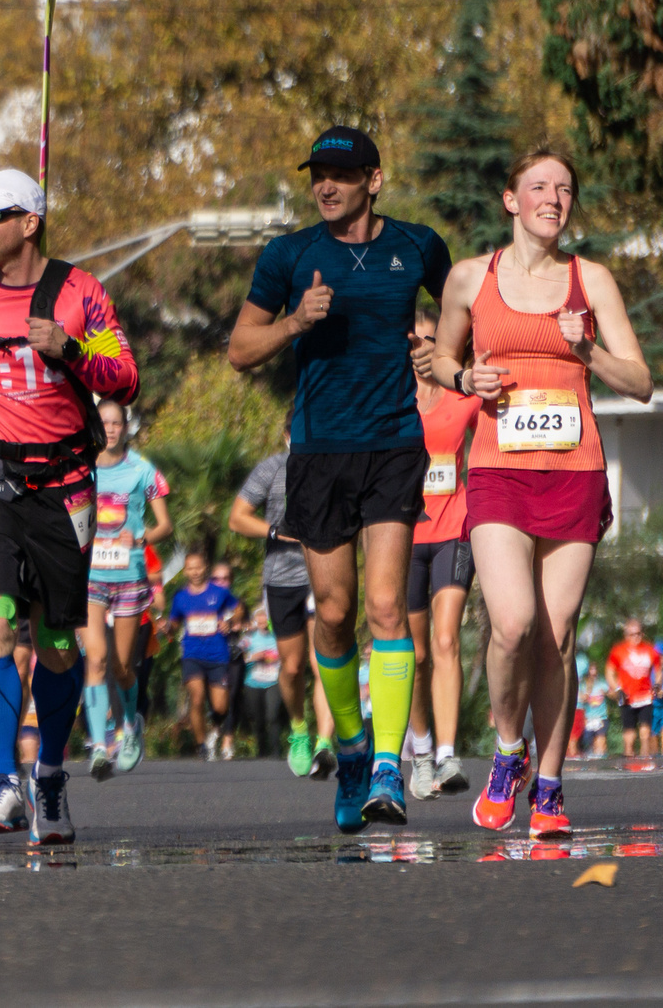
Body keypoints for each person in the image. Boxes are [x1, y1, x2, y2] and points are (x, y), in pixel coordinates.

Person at [228, 125, 450, 832]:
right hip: (319, 452)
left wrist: (443, 356)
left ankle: (387, 765)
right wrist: (295, 321)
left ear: (373, 180)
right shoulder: (289, 254)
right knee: (332, 613)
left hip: (393, 444)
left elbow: (465, 312)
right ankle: (350, 748)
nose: (326, 186)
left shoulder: (418, 246)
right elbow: (240, 349)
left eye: (342, 174)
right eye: (318, 174)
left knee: (386, 606)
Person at [431, 151, 651, 836]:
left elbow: (640, 382)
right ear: (511, 199)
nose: (553, 198)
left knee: (556, 637)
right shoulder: (471, 277)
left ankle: (550, 788)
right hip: (498, 469)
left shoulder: (592, 280)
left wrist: (588, 352)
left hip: (574, 473)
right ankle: (508, 750)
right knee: (512, 624)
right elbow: (440, 357)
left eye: (564, 189)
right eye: (538, 187)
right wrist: (465, 380)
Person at [0, 168, 140, 845]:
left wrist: (69, 349)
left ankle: (48, 774)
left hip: (64, 485)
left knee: (56, 642)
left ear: (29, 222)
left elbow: (125, 377)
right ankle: (1, 782)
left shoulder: (80, 293)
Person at [406, 311, 479, 801]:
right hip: (403, 538)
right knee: (415, 655)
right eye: (415, 340)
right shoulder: (392, 401)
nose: (424, 347)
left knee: (447, 638)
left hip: (455, 529)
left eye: (433, 339)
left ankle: (450, 756)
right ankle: (422, 752)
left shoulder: (462, 396)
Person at [231, 439, 335, 778]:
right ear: (288, 434)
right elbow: (237, 518)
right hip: (281, 579)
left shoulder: (332, 463)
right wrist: (274, 531)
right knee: (291, 667)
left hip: (322, 575)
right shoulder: (273, 468)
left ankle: (325, 743)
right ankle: (299, 730)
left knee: (323, 662)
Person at [83, 400, 169, 777]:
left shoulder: (142, 469)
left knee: (121, 667)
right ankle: (100, 747)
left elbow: (165, 525)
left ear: (126, 427)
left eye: (117, 423)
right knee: (95, 660)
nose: (111, 429)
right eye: (104, 423)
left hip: (130, 577)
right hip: (91, 578)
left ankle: (131, 726)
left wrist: (141, 537)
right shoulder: (81, 469)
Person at [165, 550, 237, 759]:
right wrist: (168, 628)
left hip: (218, 655)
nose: (195, 572)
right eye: (190, 568)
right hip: (192, 654)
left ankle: (215, 727)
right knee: (196, 698)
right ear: (185, 571)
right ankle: (201, 745)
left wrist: (229, 621)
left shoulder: (220, 592)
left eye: (198, 567)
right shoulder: (180, 597)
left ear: (205, 568)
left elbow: (238, 608)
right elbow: (174, 623)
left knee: (221, 707)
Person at [241, 603, 286, 757]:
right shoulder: (248, 638)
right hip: (253, 683)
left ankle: (276, 752)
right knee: (258, 719)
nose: (262, 622)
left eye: (264, 619)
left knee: (272, 716)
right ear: (254, 621)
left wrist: (277, 658)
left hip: (273, 682)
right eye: (259, 619)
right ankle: (261, 752)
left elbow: (287, 656)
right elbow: (238, 657)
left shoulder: (277, 637)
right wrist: (253, 657)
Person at [610, 620, 659, 757]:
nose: (635, 637)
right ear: (626, 635)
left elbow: (658, 668)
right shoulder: (619, 651)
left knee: (645, 732)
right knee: (629, 735)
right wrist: (616, 689)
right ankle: (628, 761)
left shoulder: (649, 650)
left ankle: (645, 760)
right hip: (627, 697)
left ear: (642, 634)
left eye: (638, 634)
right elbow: (609, 671)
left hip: (645, 697)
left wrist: (657, 684)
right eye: (631, 634)